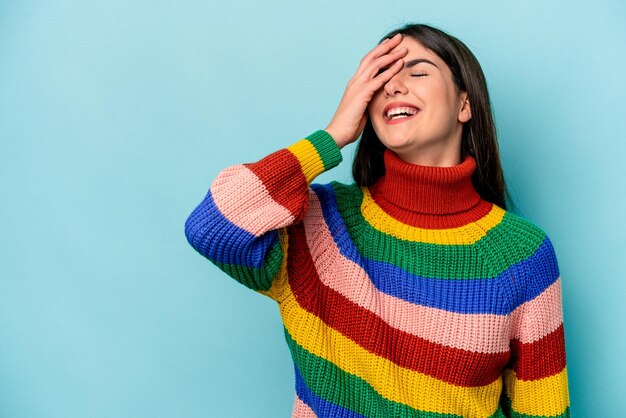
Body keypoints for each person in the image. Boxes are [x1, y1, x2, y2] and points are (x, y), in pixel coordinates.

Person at [184, 23, 571, 418]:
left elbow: (543, 410)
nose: (393, 86)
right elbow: (212, 224)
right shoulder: (319, 225)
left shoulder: (521, 254)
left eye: (417, 72)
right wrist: (332, 136)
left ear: (464, 105)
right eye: (379, 78)